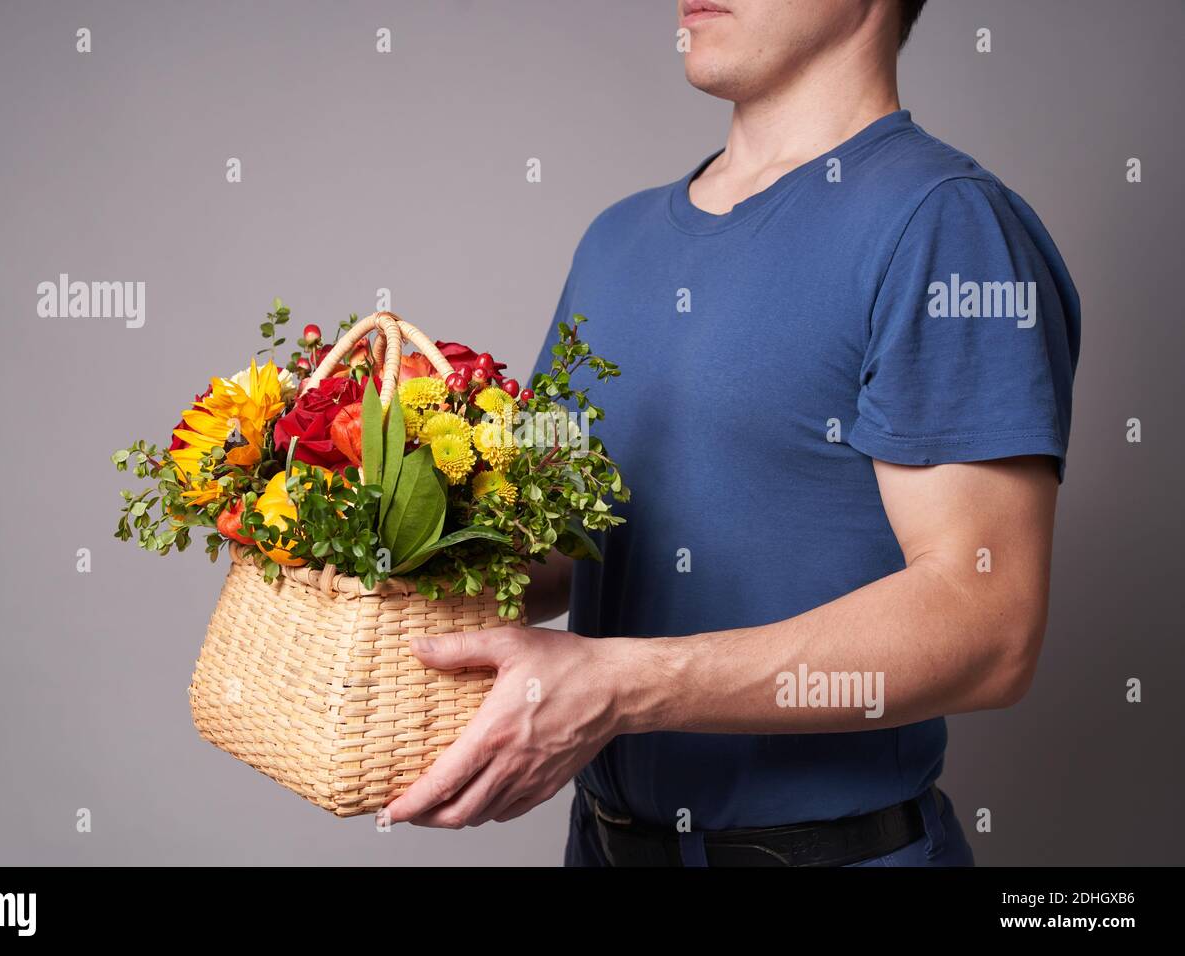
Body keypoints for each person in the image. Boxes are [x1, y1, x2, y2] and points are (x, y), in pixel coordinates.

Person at [386, 0, 1079, 867]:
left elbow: (990, 630)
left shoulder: (945, 224)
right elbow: (551, 553)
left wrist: (623, 687)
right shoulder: (616, 239)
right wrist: (358, 538)